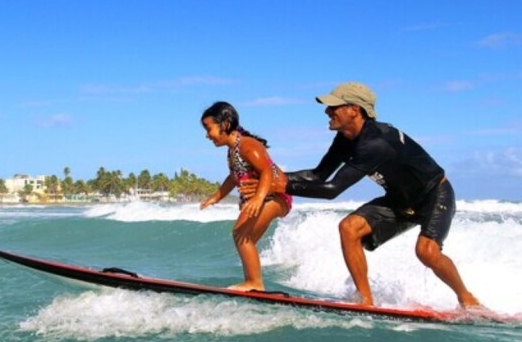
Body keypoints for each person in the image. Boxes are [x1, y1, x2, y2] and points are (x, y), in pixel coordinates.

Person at [239, 82, 480, 307]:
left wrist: (283, 186)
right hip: (399, 199)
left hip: (434, 194)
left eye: (333, 106)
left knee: (426, 252)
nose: (327, 111)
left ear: (354, 110)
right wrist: (271, 179)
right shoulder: (346, 138)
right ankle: (365, 300)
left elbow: (333, 190)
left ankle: (467, 298)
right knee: (349, 228)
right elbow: (319, 175)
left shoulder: (376, 143)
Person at [200, 101, 292, 291]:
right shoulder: (232, 150)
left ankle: (254, 283)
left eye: (209, 129)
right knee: (246, 240)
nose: (207, 135)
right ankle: (252, 284)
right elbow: (234, 177)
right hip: (267, 198)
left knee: (240, 234)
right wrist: (216, 196)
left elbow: (266, 171)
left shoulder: (248, 145)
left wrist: (258, 199)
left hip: (275, 198)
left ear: (224, 124)